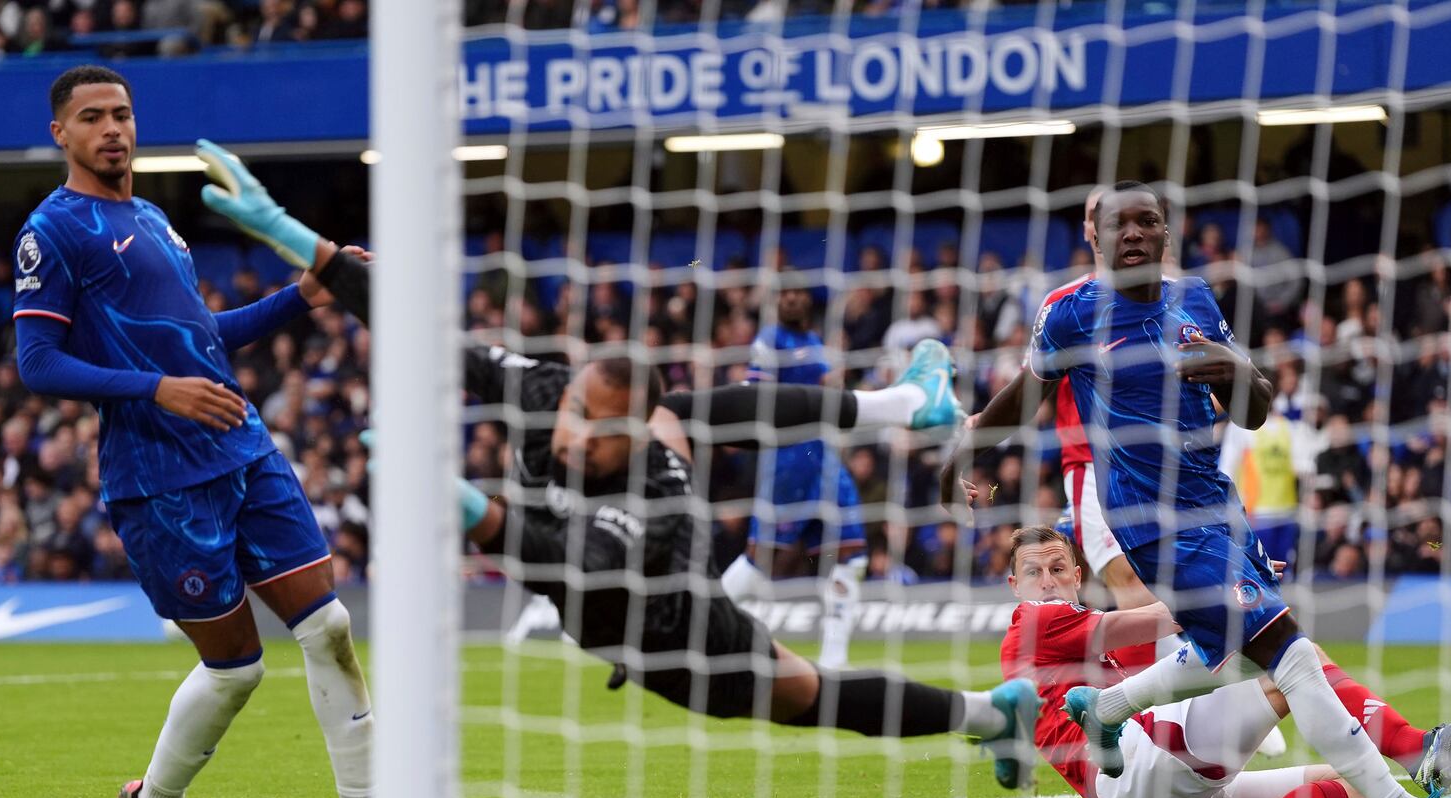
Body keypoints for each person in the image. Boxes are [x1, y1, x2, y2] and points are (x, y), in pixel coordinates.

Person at [196, 141, 1042, 759]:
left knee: (808, 696)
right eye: (574, 413)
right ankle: (907, 403)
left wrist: (467, 508)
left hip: (672, 632)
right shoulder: (546, 392)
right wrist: (291, 235)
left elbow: (579, 556)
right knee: (687, 406)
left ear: (633, 441)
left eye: (603, 431)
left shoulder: (662, 489)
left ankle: (988, 715)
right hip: (598, 594)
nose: (575, 434)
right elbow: (424, 333)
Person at [952, 180, 1451, 798]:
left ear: (1166, 232)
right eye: (1121, 224)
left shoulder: (1196, 299)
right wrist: (962, 455)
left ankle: (1107, 707)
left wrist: (1237, 370)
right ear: (1099, 237)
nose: (1135, 234)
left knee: (1234, 655)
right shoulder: (1069, 315)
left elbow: (1257, 406)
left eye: (1148, 221)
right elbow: (1018, 399)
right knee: (1291, 659)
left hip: (1216, 506)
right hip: (1153, 526)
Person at [11, 67, 374, 798]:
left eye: (124, 114)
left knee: (330, 627)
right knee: (238, 667)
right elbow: (37, 362)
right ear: (60, 135)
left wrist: (302, 295)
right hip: (161, 477)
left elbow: (200, 334)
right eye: (93, 118)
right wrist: (157, 389)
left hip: (242, 448)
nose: (114, 129)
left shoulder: (151, 218)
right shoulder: (52, 230)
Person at [995, 526, 1451, 798]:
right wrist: (1238, 591)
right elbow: (1152, 623)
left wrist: (1242, 589)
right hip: (1141, 768)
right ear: (1014, 586)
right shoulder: (1033, 621)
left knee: (1358, 780)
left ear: (1077, 574)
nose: (1047, 580)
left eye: (1057, 568)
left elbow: (1163, 632)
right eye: (1033, 572)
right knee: (1289, 660)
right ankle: (1419, 748)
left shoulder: (1075, 634)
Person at [719, 276, 868, 670]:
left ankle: (834, 660)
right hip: (787, 460)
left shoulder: (815, 343)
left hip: (824, 459)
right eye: (785, 294)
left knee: (850, 554)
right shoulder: (770, 340)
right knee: (760, 558)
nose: (792, 300)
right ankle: (700, 624)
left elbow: (830, 392)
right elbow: (756, 396)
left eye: (798, 293)